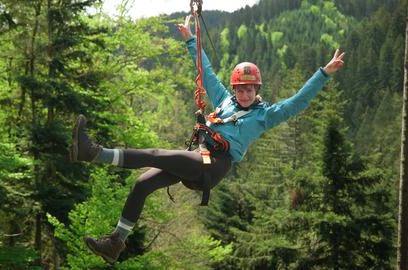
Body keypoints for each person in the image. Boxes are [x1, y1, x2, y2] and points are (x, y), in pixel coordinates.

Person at [70, 15, 345, 263]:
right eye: (241, 89)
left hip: (214, 165)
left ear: (257, 89)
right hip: (200, 156)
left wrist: (323, 74)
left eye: (250, 90)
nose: (245, 94)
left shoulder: (265, 115)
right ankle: (115, 243)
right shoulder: (225, 101)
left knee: (156, 153)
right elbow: (207, 71)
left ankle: (93, 152)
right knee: (142, 184)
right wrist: (191, 39)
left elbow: (297, 102)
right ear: (235, 89)